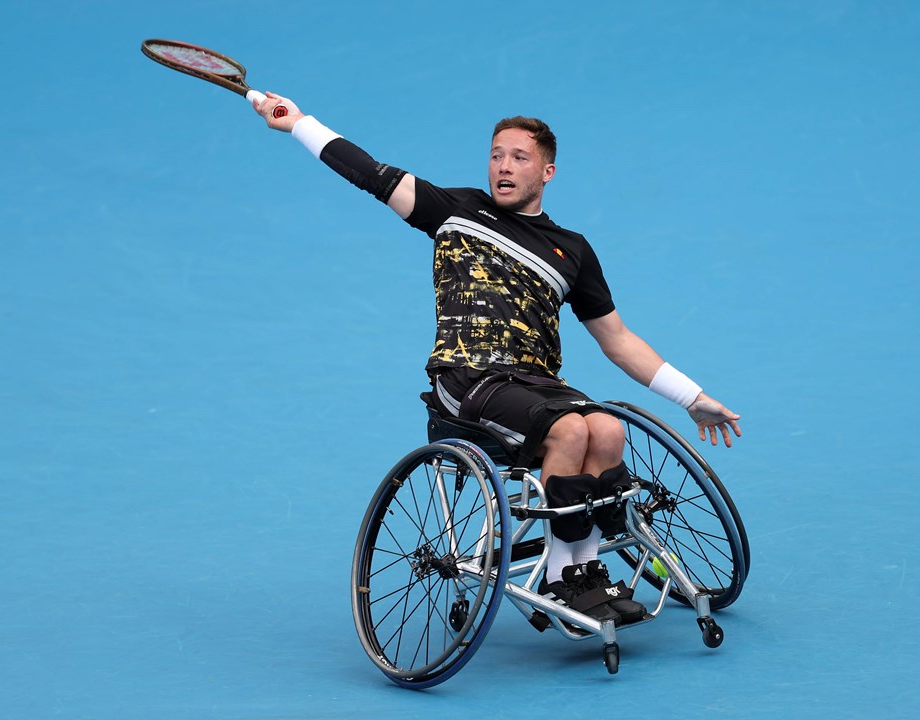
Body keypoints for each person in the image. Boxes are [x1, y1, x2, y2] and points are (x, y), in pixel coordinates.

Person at [252, 93, 742, 626]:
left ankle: (580, 571)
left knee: (605, 429)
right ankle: (562, 581)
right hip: (466, 379)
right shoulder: (455, 211)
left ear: (547, 171)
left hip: (536, 384)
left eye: (519, 157)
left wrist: (692, 397)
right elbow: (371, 174)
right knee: (571, 433)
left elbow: (618, 339)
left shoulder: (572, 249)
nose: (503, 166)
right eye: (496, 155)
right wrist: (300, 123)